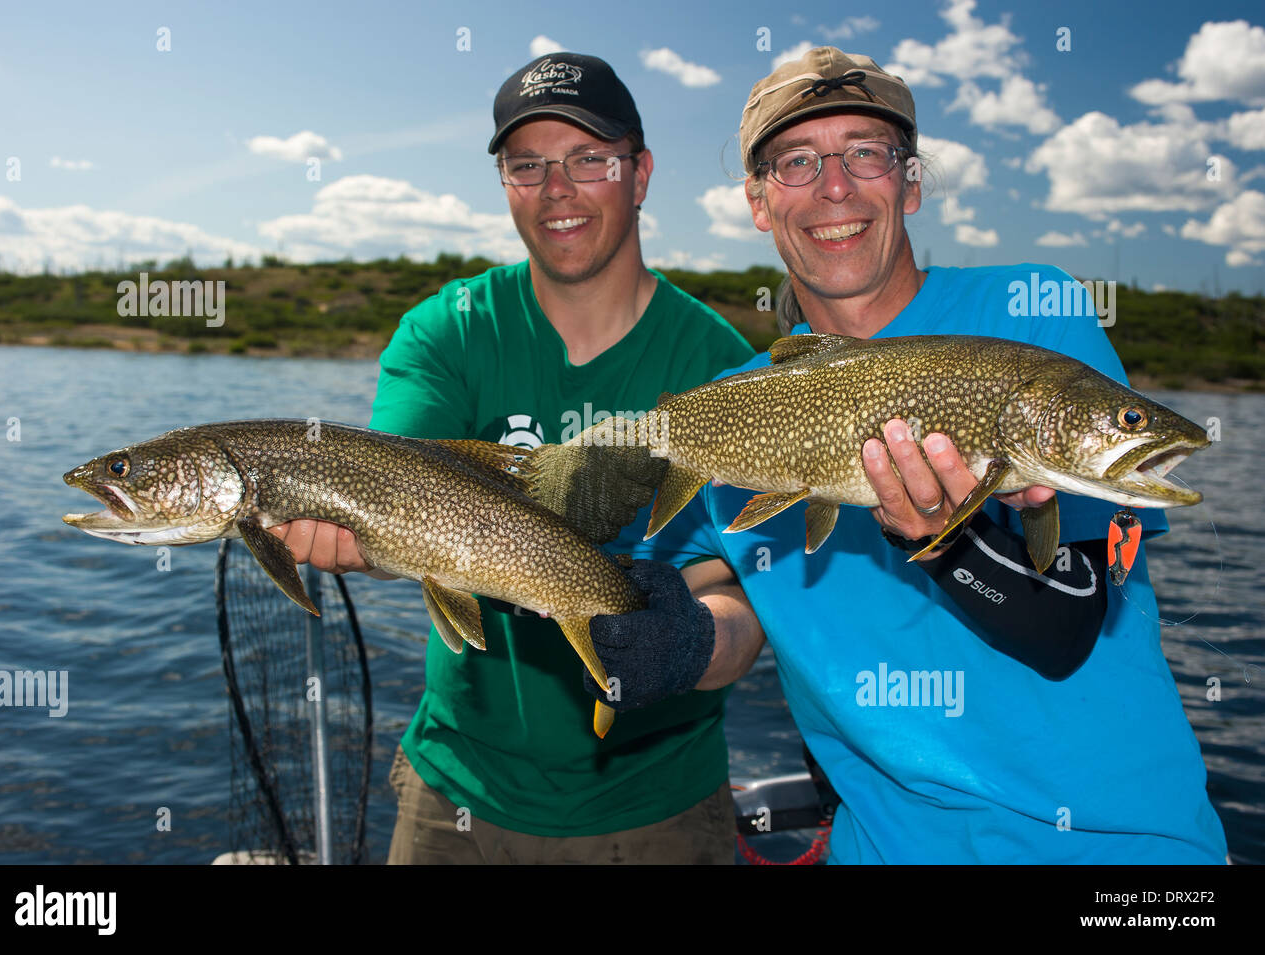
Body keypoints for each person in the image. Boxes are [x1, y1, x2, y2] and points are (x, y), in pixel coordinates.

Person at [586, 46, 1228, 863]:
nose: (835, 186)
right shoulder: (727, 413)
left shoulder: (1032, 315)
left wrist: (950, 539)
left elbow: (1070, 620)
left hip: (1122, 850)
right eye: (796, 162)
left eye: (866, 153)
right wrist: (680, 643)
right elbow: (733, 606)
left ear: (911, 182)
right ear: (756, 201)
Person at [270, 52, 754, 863]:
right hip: (459, 793)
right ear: (504, 183)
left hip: (660, 804)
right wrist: (343, 532)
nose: (556, 188)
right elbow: (396, 484)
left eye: (589, 159)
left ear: (640, 174)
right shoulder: (446, 330)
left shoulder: (722, 364)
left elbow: (739, 602)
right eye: (527, 165)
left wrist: (693, 645)